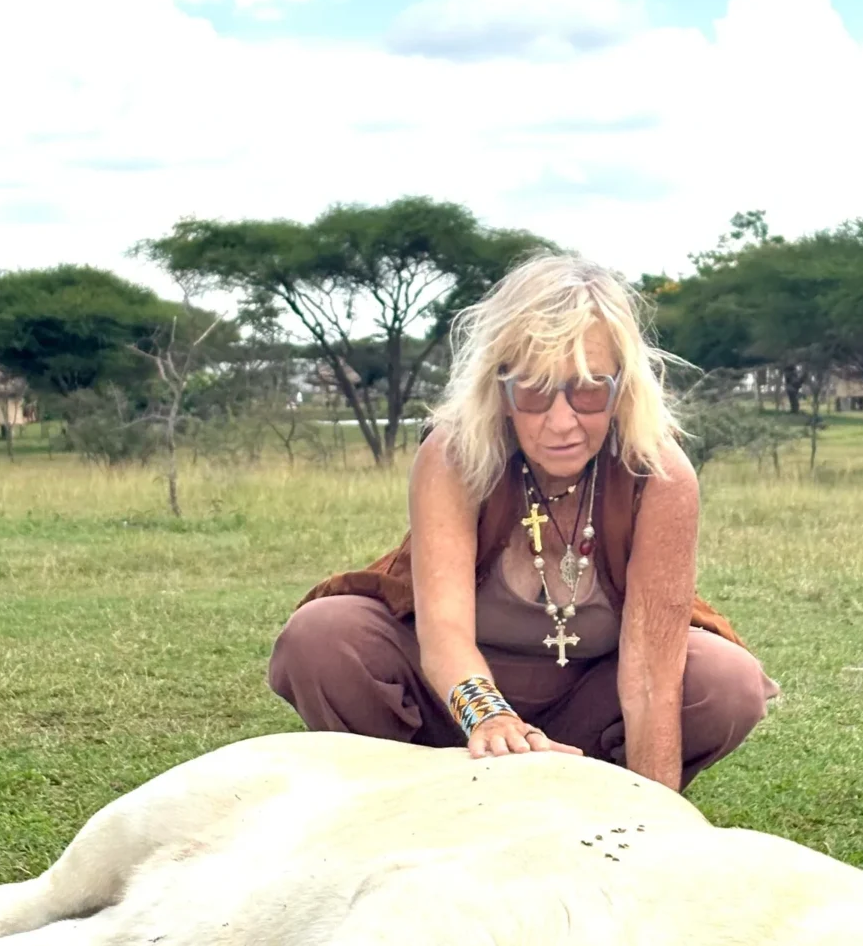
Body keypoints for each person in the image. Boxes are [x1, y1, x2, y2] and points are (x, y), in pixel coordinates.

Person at [268, 253, 777, 791]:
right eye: (533, 392)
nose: (562, 423)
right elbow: (443, 635)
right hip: (456, 717)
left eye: (588, 390)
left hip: (587, 721)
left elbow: (652, 673)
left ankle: (606, 799)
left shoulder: (661, 475)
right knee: (324, 637)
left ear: (623, 387)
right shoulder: (454, 455)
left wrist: (657, 822)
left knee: (725, 681)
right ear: (500, 390)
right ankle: (405, 794)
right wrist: (491, 718)